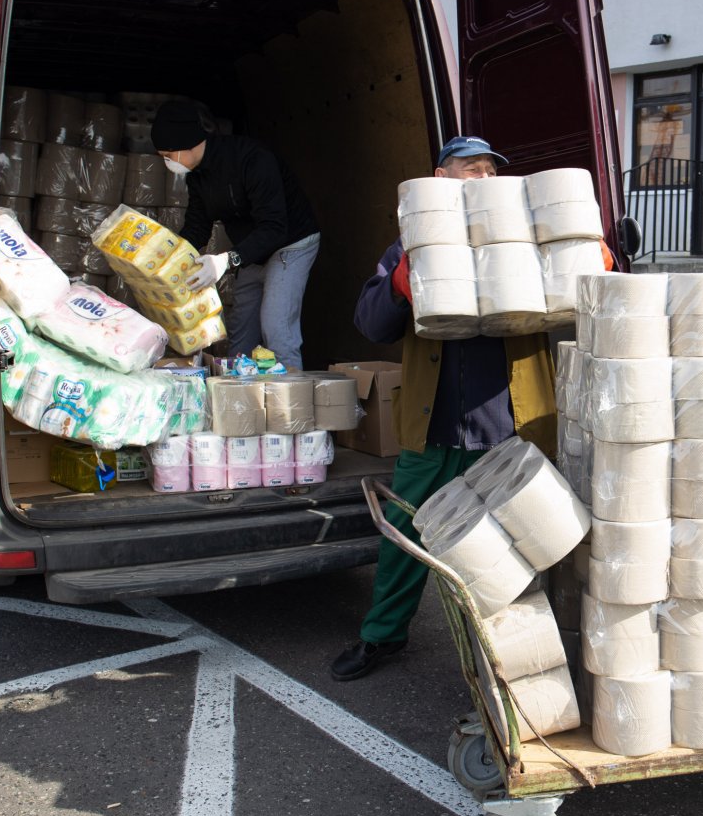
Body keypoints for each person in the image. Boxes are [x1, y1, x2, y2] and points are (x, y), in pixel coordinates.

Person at [330, 136, 560, 682]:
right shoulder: (412, 241)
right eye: (470, 169)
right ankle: (382, 637)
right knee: (406, 541)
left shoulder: (521, 239)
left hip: (510, 425)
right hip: (432, 427)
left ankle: (519, 656)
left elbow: (578, 295)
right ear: (441, 176)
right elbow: (371, 323)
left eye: (489, 171)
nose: (481, 179)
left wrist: (601, 257)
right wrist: (405, 280)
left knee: (521, 544)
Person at [151, 100, 320, 370]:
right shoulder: (196, 176)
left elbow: (275, 227)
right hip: (253, 248)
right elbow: (197, 226)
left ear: (187, 143)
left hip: (291, 242)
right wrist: (169, 259)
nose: (167, 162)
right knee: (240, 332)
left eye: (167, 155)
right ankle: (237, 403)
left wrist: (226, 261)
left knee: (276, 327)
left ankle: (292, 404)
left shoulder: (251, 159)